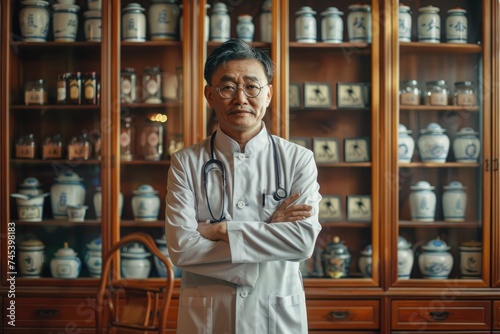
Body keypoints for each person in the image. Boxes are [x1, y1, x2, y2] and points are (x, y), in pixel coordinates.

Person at [165, 38, 322, 334]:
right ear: (209, 95)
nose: (240, 98)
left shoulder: (298, 160)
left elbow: (302, 243)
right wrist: (269, 236)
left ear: (269, 94)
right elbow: (182, 249)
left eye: (252, 86)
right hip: (210, 319)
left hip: (274, 316)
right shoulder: (185, 163)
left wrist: (221, 230)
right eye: (227, 87)